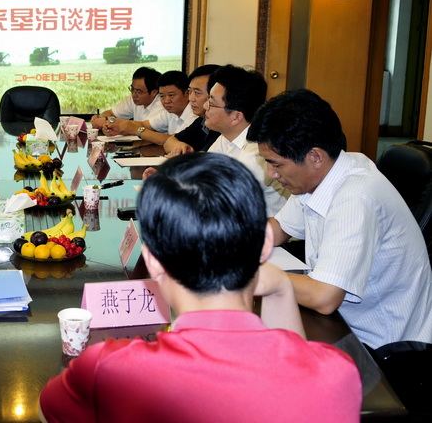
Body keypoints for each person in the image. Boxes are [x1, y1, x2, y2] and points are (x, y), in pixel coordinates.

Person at [39, 153, 361, 422]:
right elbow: (296, 370)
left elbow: (46, 411)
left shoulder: (107, 369)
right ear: (265, 245)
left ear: (153, 262)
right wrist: (281, 290)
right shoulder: (338, 375)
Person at [247, 89, 432, 349]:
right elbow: (277, 230)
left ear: (315, 156)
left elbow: (324, 296)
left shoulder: (356, 196)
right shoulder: (325, 172)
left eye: (276, 164)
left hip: (377, 344)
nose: (271, 174)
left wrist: (244, 275)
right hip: (341, 321)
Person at [203, 65, 289, 216]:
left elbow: (219, 200)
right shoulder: (227, 136)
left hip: (265, 229)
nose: (205, 106)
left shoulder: (258, 151)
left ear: (236, 117)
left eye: (211, 102)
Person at [103, 71, 197, 145]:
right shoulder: (169, 112)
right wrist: (119, 127)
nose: (166, 101)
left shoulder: (194, 115)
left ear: (187, 94)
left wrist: (135, 130)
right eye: (162, 96)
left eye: (171, 95)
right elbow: (145, 124)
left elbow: (172, 140)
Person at [161, 63, 221, 156]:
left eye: (197, 92)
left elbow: (203, 159)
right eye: (190, 91)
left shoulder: (221, 126)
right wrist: (179, 146)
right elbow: (168, 142)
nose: (190, 98)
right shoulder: (201, 121)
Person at [90, 67, 164, 131]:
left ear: (154, 92)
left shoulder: (162, 105)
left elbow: (143, 126)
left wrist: (108, 121)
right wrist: (103, 119)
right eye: (132, 89)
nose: (134, 94)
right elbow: (111, 113)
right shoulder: (134, 99)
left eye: (139, 91)